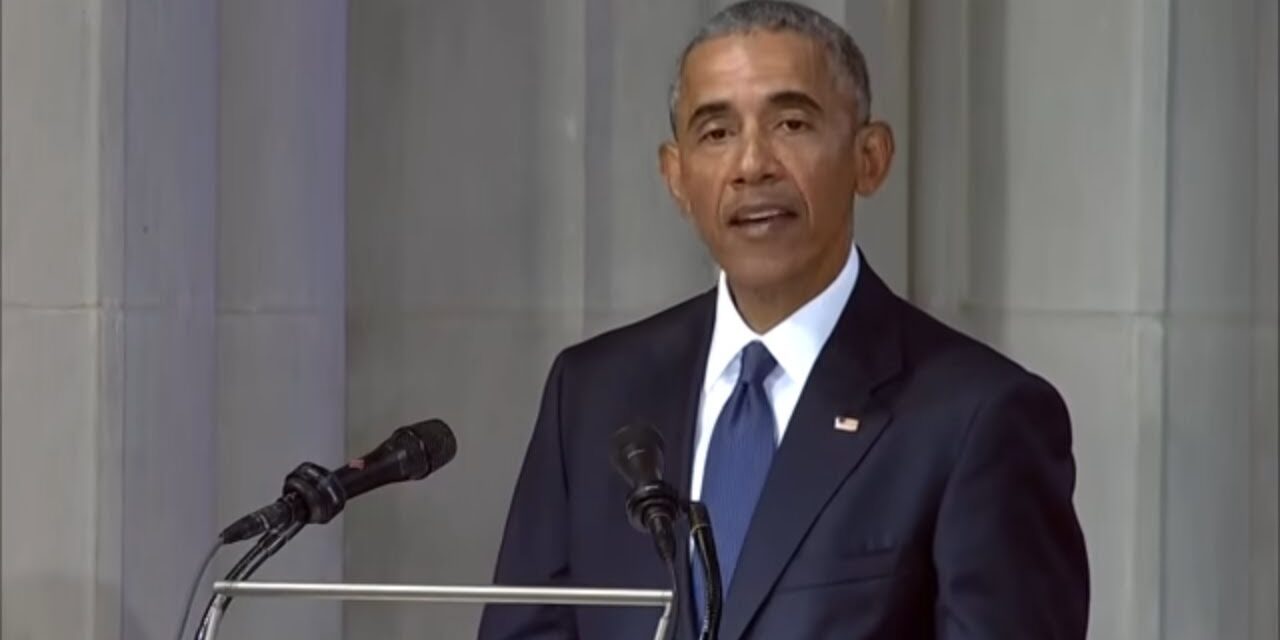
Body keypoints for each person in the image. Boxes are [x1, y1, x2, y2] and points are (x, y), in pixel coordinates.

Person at [477, 1, 1089, 638]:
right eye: (716, 133)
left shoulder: (978, 416)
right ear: (676, 175)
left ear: (870, 157)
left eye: (792, 124)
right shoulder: (594, 393)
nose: (752, 165)